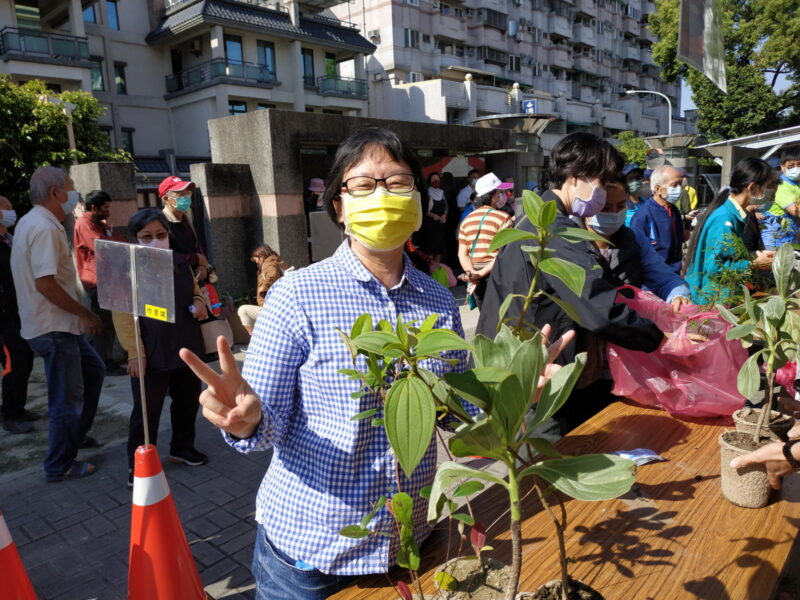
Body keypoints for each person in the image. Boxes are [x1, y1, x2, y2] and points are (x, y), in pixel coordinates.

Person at [176, 127, 565, 600]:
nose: (382, 195)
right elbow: (262, 424)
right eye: (363, 185)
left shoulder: (439, 302)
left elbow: (455, 412)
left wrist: (518, 393)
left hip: (408, 543)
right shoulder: (297, 296)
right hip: (310, 556)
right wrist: (245, 420)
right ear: (338, 207)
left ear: (419, 202)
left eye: (398, 182)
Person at [477, 132, 664, 433]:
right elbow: (594, 303)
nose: (602, 195)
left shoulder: (536, 219)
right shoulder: (552, 228)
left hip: (529, 364)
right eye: (602, 184)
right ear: (577, 178)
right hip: (535, 373)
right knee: (548, 455)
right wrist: (657, 337)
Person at [10, 166, 105, 481]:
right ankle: (59, 464)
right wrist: (85, 314)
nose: (74, 195)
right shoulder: (45, 227)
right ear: (55, 193)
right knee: (67, 398)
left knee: (93, 371)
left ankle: (75, 436)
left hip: (57, 325)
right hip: (53, 326)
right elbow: (46, 284)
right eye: (71, 188)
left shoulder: (31, 221)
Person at [111, 209, 209, 487]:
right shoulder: (127, 272)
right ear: (135, 239)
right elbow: (122, 313)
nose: (156, 240)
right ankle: (139, 464)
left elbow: (195, 291)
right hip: (150, 349)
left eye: (161, 235)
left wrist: (200, 302)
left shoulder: (180, 263)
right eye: (147, 236)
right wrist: (134, 351)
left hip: (185, 342)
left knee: (188, 399)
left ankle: (182, 447)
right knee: (146, 411)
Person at [586, 178, 692, 310]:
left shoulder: (634, 238)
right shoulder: (571, 242)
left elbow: (663, 277)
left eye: (620, 206)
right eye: (605, 208)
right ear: (587, 205)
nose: (613, 213)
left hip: (630, 323)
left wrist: (678, 295)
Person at [684, 158, 777, 306]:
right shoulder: (724, 219)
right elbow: (716, 268)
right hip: (713, 301)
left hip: (722, 297)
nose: (773, 191)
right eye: (769, 186)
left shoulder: (733, 214)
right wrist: (754, 263)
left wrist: (755, 256)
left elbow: (729, 256)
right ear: (752, 188)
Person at [73, 189, 123, 369]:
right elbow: (102, 245)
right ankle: (103, 361)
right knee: (103, 323)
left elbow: (115, 240)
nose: (108, 211)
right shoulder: (85, 222)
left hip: (107, 279)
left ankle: (104, 358)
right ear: (94, 208)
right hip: (96, 280)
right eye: (105, 207)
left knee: (109, 321)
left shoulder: (100, 223)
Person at [0, 196, 36, 434]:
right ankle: (10, 414)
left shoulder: (9, 240)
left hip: (18, 312)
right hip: (3, 319)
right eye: (7, 208)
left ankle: (19, 407)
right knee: (13, 363)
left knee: (25, 360)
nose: (12, 212)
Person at [457, 172, 514, 308]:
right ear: (493, 195)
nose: (503, 196)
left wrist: (472, 274)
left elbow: (462, 253)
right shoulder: (502, 218)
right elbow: (503, 253)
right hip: (497, 275)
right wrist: (481, 274)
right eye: (501, 192)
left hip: (475, 278)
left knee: (485, 319)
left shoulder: (467, 219)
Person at [629, 164, 687, 275]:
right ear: (658, 189)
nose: (679, 189)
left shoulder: (673, 210)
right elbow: (636, 253)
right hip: (653, 278)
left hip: (674, 274)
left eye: (680, 184)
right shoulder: (643, 215)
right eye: (674, 185)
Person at [159, 175, 209, 282]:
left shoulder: (186, 218)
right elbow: (163, 255)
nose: (186, 197)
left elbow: (196, 245)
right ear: (166, 199)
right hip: (174, 281)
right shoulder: (161, 223)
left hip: (193, 280)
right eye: (180, 194)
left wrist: (203, 266)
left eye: (187, 193)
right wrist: (196, 258)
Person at [237, 244, 289, 335]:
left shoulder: (268, 263)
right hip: (281, 306)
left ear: (261, 255)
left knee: (243, 310)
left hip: (272, 308)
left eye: (255, 258)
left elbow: (272, 275)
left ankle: (254, 339)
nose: (255, 261)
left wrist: (263, 287)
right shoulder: (277, 261)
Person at [761, 144, 800, 250]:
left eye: (799, 165)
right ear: (782, 166)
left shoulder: (796, 184)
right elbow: (795, 211)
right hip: (775, 239)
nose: (796, 169)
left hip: (790, 236)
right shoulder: (782, 184)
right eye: (791, 166)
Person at [420, 171, 449, 258]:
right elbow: (424, 209)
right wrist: (432, 215)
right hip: (430, 224)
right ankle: (431, 268)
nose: (436, 180)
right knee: (431, 246)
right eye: (433, 179)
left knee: (439, 247)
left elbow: (446, 206)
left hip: (441, 224)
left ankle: (438, 267)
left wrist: (445, 215)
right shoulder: (427, 193)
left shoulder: (442, 192)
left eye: (437, 179)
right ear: (429, 181)